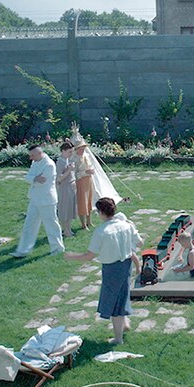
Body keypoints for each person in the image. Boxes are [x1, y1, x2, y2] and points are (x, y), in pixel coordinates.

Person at [64, 198, 140, 344]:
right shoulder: (126, 225)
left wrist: (71, 256)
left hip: (112, 268)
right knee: (121, 295)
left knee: (114, 303)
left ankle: (118, 339)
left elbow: (89, 256)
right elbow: (134, 246)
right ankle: (124, 325)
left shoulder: (102, 230)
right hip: (126, 265)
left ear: (101, 212)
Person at [12, 145, 65, 257]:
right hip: (35, 199)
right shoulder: (35, 162)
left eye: (32, 155)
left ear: (39, 154)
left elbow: (43, 183)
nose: (30, 158)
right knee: (29, 225)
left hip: (46, 200)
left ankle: (57, 248)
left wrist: (33, 178)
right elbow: (28, 178)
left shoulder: (49, 165)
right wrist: (34, 178)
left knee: (51, 225)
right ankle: (23, 250)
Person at [71, 137, 98, 230]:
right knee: (82, 201)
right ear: (76, 149)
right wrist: (85, 173)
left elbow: (91, 166)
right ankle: (83, 224)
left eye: (83, 148)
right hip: (81, 181)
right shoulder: (74, 159)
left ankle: (89, 221)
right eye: (80, 149)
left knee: (89, 200)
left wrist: (91, 171)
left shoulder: (86, 156)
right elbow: (74, 174)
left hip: (88, 180)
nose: (82, 150)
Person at [55, 141, 78, 238]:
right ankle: (65, 230)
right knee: (64, 210)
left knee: (69, 209)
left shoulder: (67, 160)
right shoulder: (60, 162)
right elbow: (59, 178)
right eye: (69, 152)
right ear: (63, 151)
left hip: (70, 186)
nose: (71, 154)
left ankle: (68, 229)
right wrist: (69, 170)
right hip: (64, 187)